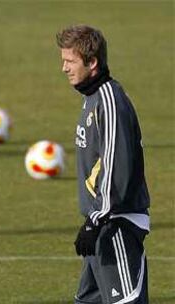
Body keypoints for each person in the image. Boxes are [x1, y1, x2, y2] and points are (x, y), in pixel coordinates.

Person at [56, 25, 150, 304]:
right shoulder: (92, 99)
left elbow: (115, 163)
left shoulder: (109, 101)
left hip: (115, 223)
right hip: (102, 226)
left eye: (70, 61)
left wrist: (96, 220)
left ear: (92, 62)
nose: (64, 68)